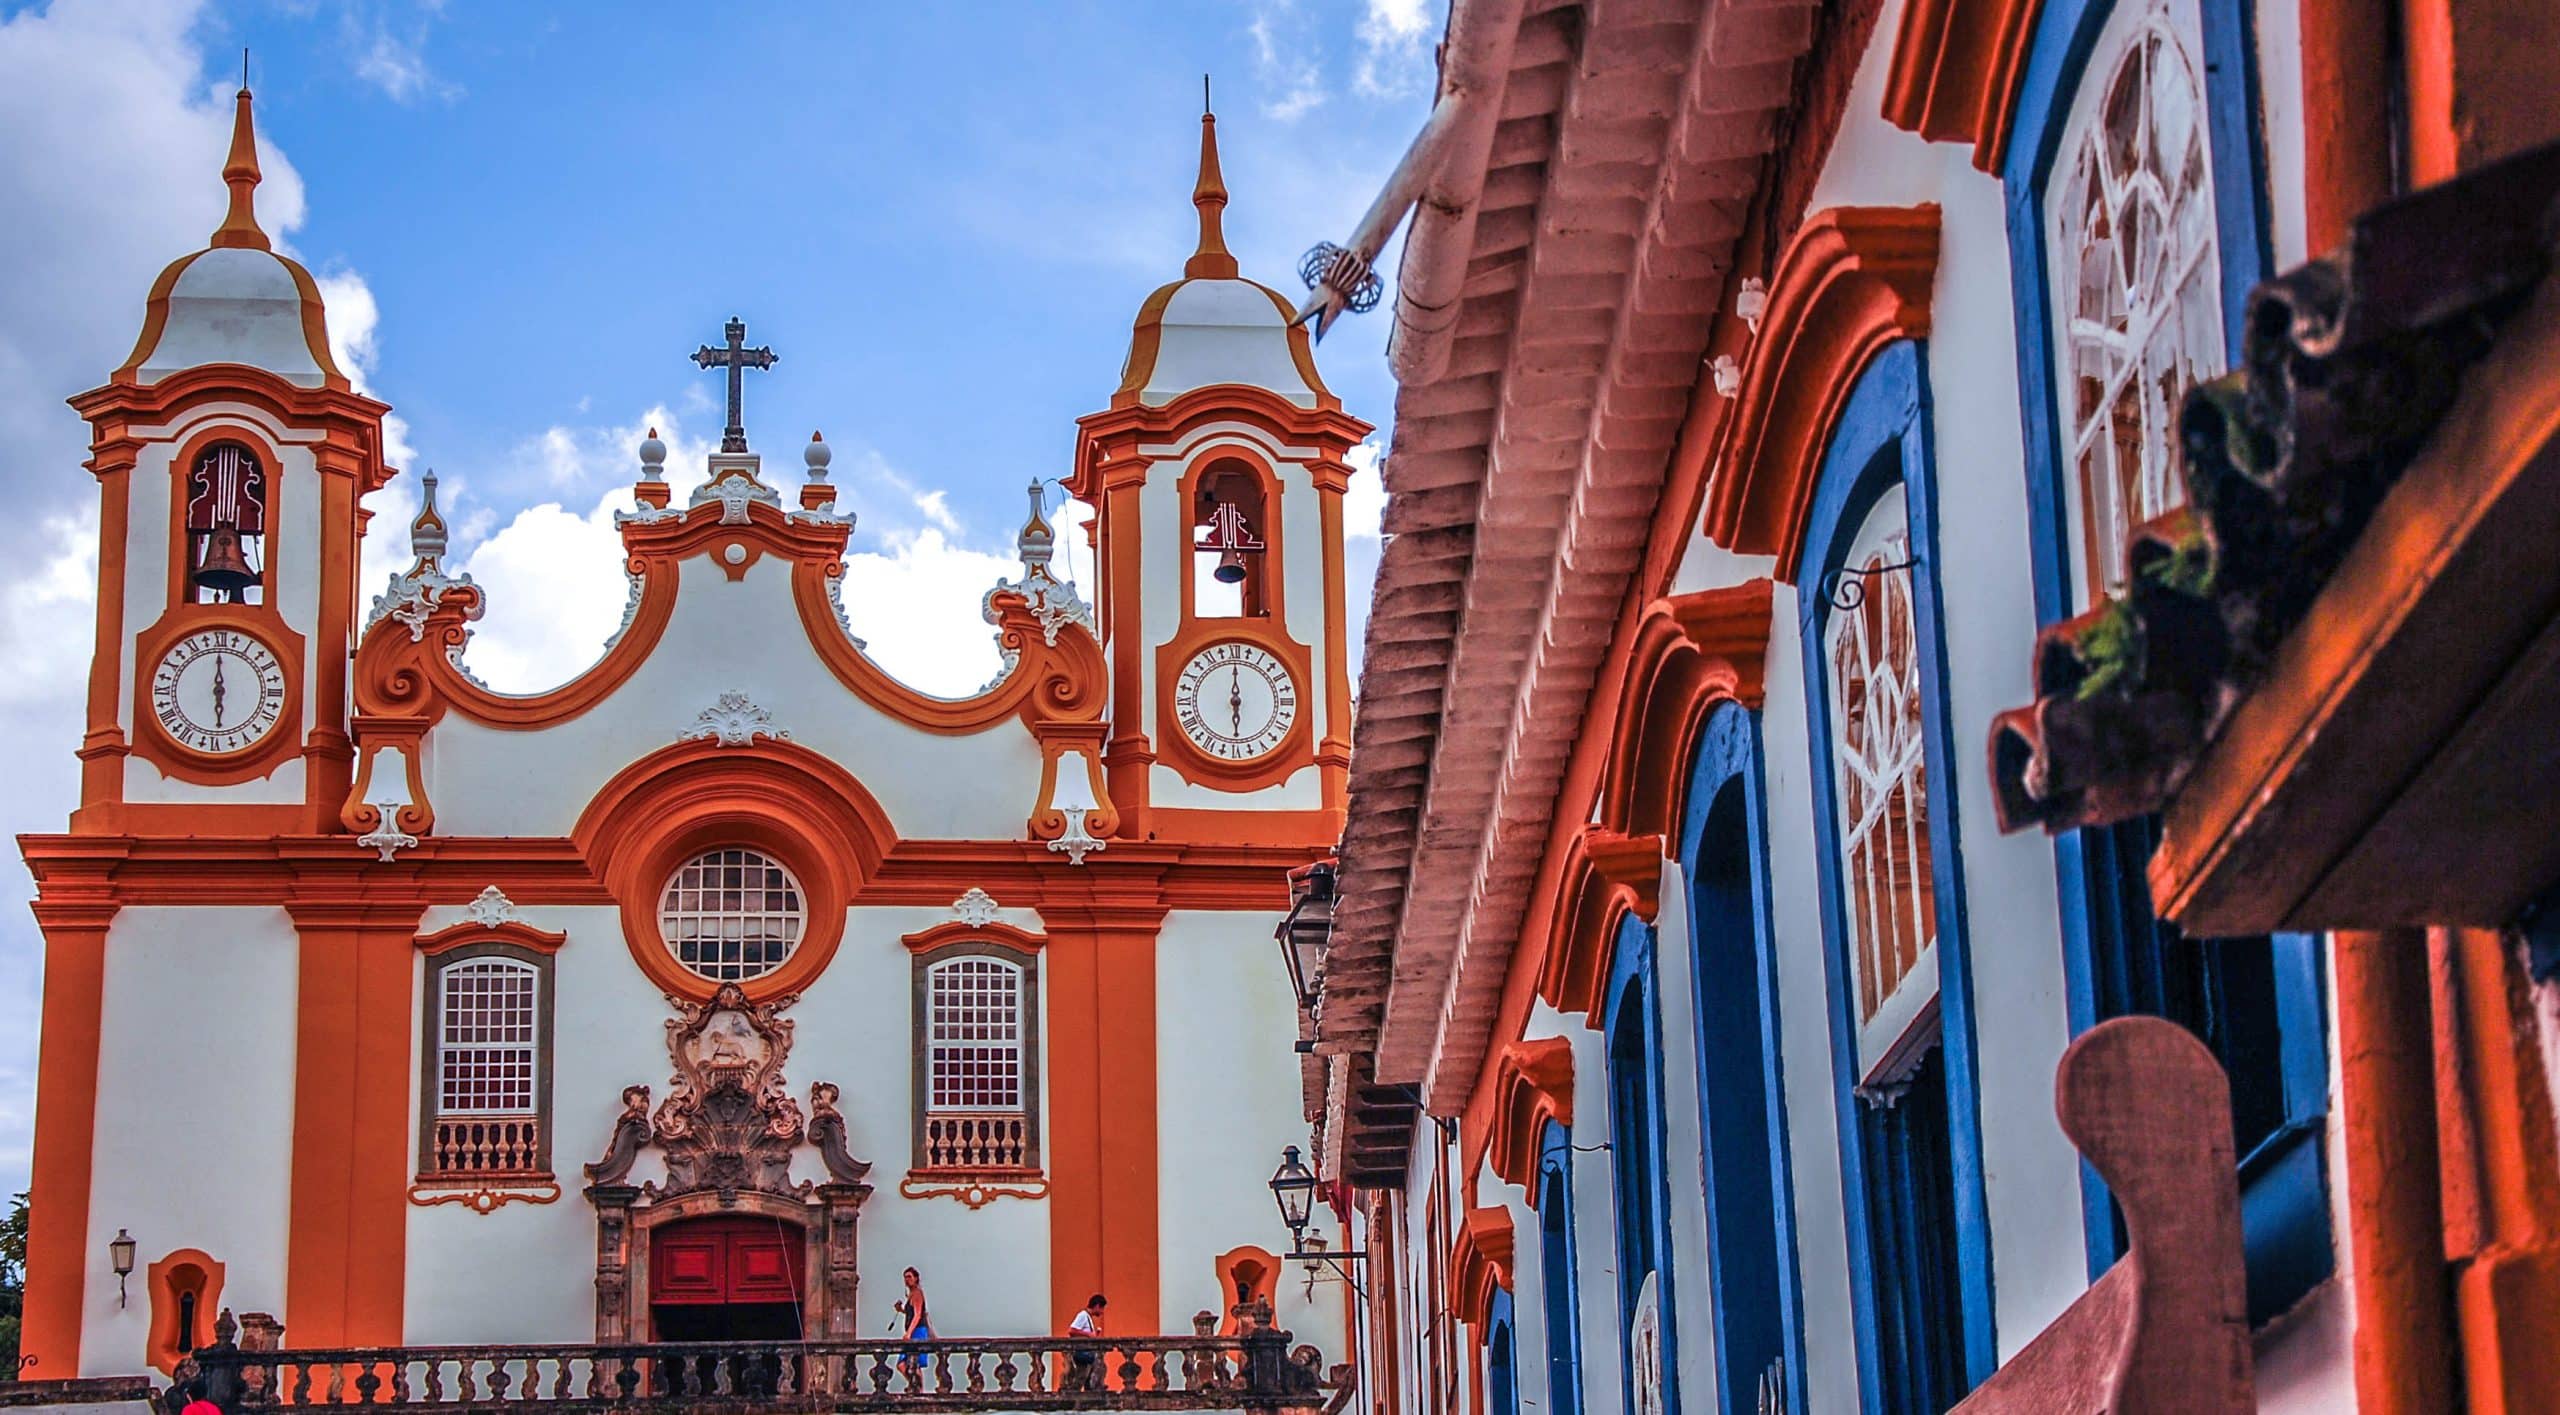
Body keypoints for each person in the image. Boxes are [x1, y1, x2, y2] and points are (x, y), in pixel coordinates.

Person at [893, 1267, 934, 1381]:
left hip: (918, 1331)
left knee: (910, 1363)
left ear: (916, 1278)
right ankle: (915, 1386)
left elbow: (917, 1315)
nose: (907, 1280)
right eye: (905, 1277)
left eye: (909, 1277)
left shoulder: (917, 1293)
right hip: (915, 1330)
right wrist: (901, 1310)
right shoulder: (912, 1294)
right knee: (909, 1364)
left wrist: (909, 1333)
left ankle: (918, 1388)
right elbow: (911, 1312)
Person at [1065, 1293, 1108, 1391]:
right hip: (1081, 1352)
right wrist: (1088, 1334)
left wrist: (1093, 1335)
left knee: (1085, 1376)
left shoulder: (1087, 1317)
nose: (1102, 1312)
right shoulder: (1083, 1315)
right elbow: (1072, 1330)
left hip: (1084, 1352)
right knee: (1087, 1373)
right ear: (1097, 1306)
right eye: (1102, 1308)